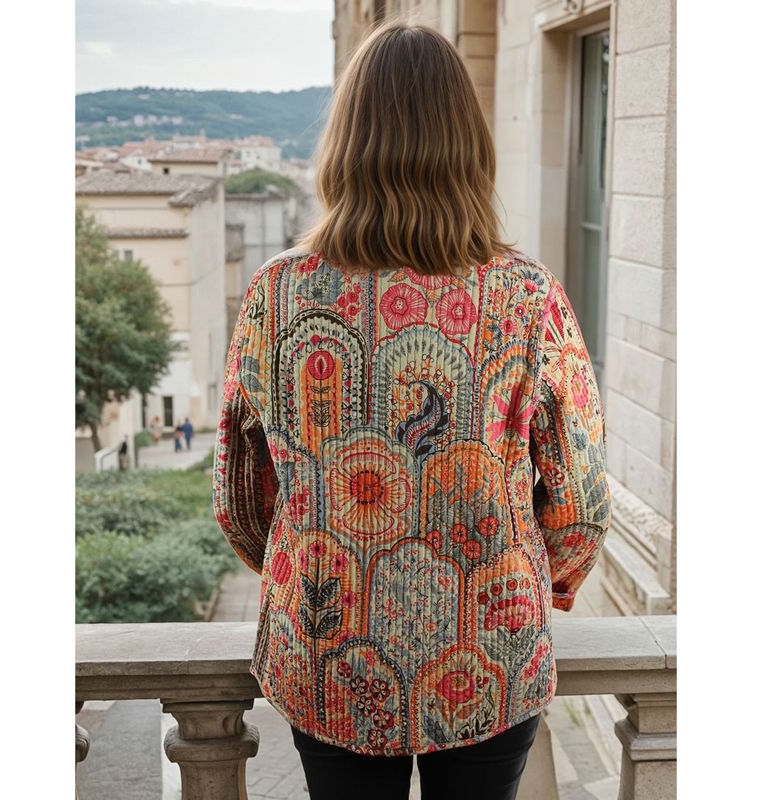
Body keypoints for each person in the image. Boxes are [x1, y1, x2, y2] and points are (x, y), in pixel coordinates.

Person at [213, 20, 611, 800]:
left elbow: (237, 498)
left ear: (345, 142)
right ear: (469, 146)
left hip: (329, 652)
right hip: (489, 652)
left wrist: (313, 561)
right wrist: (540, 581)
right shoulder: (528, 297)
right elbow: (581, 503)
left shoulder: (276, 294)